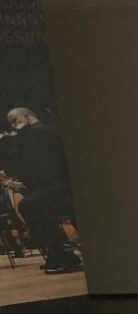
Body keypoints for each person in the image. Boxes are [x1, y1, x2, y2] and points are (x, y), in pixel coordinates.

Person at [0, 106, 83, 272]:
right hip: (51, 185)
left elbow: (42, 166)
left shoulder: (42, 133)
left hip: (62, 186)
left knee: (30, 206)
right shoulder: (33, 136)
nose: (13, 126)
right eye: (11, 124)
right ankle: (57, 254)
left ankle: (63, 255)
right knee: (30, 204)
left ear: (28, 116)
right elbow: (24, 167)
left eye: (15, 121)